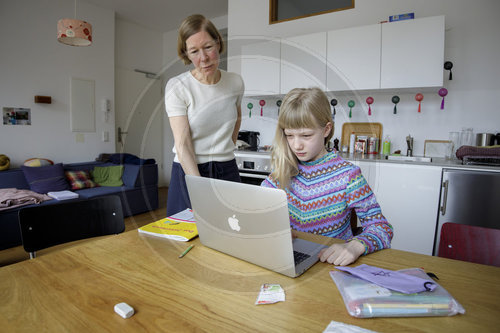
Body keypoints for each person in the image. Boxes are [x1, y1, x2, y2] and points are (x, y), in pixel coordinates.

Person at [262, 87, 393, 266]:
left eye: (306, 135)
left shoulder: (348, 176)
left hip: (331, 266)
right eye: (289, 135)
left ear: (326, 129)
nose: (296, 145)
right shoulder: (279, 175)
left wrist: (354, 246)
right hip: (289, 263)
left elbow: (382, 228)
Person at [165, 14, 244, 216]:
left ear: (217, 42)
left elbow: (236, 117)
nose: (204, 58)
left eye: (208, 47)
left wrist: (225, 148)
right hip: (189, 169)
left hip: (227, 169)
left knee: (231, 231)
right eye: (194, 51)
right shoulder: (178, 87)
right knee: (185, 235)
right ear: (187, 54)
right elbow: (182, 145)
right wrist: (199, 186)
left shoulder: (235, 82)